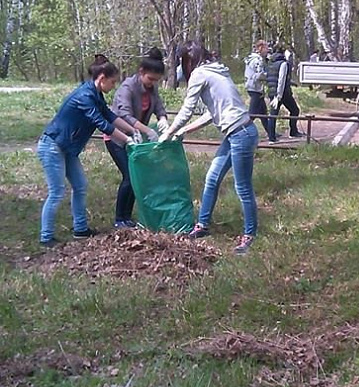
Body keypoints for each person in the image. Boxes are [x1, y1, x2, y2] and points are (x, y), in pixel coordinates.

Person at [158, 40, 259, 255]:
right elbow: (210, 114)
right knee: (212, 178)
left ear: (187, 60)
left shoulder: (200, 74)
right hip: (238, 132)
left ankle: (250, 235)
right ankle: (202, 226)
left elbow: (187, 109)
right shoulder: (216, 71)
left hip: (241, 134)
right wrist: (183, 132)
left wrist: (168, 132)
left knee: (243, 188)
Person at [37, 55, 141, 247]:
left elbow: (109, 115)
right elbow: (100, 122)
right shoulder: (84, 96)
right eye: (112, 82)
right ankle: (46, 237)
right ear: (101, 78)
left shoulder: (95, 94)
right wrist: (127, 140)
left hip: (67, 148)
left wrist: (132, 129)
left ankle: (80, 229)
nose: (113, 86)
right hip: (52, 146)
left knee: (81, 185)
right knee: (57, 191)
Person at [106, 48, 169, 228]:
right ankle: (119, 218)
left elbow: (158, 106)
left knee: (138, 177)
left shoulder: (152, 87)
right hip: (117, 137)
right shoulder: (127, 87)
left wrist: (162, 118)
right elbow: (124, 115)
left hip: (137, 139)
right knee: (129, 176)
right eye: (150, 79)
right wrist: (147, 131)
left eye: (156, 80)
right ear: (141, 72)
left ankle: (127, 217)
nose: (152, 83)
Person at [265, 45, 302, 141]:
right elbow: (281, 79)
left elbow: (272, 77)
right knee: (294, 110)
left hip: (272, 91)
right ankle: (293, 132)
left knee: (273, 114)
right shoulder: (283, 64)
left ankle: (271, 138)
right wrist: (279, 96)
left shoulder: (270, 63)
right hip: (282, 93)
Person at [244, 40, 269, 133]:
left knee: (263, 113)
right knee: (252, 113)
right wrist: (267, 76)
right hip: (255, 88)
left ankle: (270, 132)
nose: (267, 50)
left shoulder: (251, 58)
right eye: (266, 48)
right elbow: (259, 75)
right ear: (260, 48)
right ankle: (242, 131)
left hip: (254, 87)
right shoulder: (257, 60)